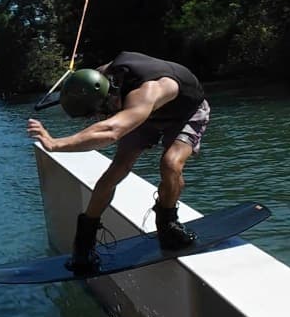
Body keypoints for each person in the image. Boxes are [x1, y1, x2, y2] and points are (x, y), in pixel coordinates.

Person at [25, 51, 210, 273]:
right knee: (115, 172)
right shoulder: (103, 77)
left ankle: (167, 225)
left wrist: (55, 144)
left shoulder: (148, 90)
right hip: (144, 116)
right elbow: (91, 99)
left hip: (185, 112)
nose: (99, 117)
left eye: (101, 112)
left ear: (110, 97)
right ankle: (83, 245)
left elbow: (111, 131)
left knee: (170, 164)